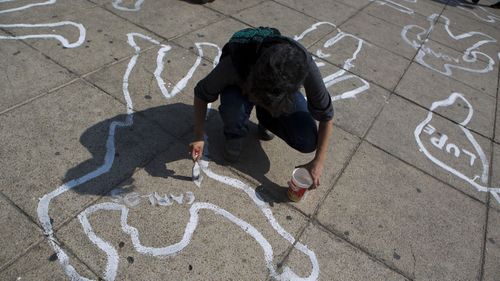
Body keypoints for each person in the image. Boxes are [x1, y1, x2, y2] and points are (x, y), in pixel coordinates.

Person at [189, 27, 334, 189]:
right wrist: (198, 136)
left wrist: (318, 161)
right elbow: (201, 93)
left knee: (307, 139)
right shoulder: (235, 64)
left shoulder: (303, 64)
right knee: (233, 109)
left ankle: (266, 120)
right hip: (242, 74)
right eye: (265, 104)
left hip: (268, 83)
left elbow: (326, 116)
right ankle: (234, 133)